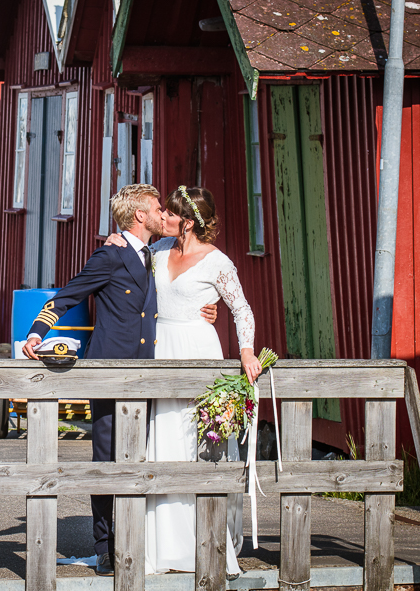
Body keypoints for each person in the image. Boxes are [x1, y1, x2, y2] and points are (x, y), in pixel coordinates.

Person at [22, 183, 217, 576]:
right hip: (111, 372)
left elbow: (181, 283)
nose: (164, 214)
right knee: (107, 459)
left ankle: (134, 538)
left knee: (141, 456)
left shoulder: (155, 255)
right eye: (158, 208)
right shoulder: (110, 254)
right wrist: (36, 331)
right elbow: (69, 294)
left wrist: (204, 310)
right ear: (140, 216)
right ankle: (106, 545)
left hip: (147, 371)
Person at [106, 186, 259, 577]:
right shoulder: (156, 253)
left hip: (197, 349)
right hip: (159, 349)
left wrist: (245, 352)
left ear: (186, 222)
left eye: (169, 214)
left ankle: (204, 542)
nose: (162, 218)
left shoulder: (217, 262)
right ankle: (161, 548)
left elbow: (241, 309)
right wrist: (112, 240)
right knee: (163, 442)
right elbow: (128, 265)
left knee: (196, 444)